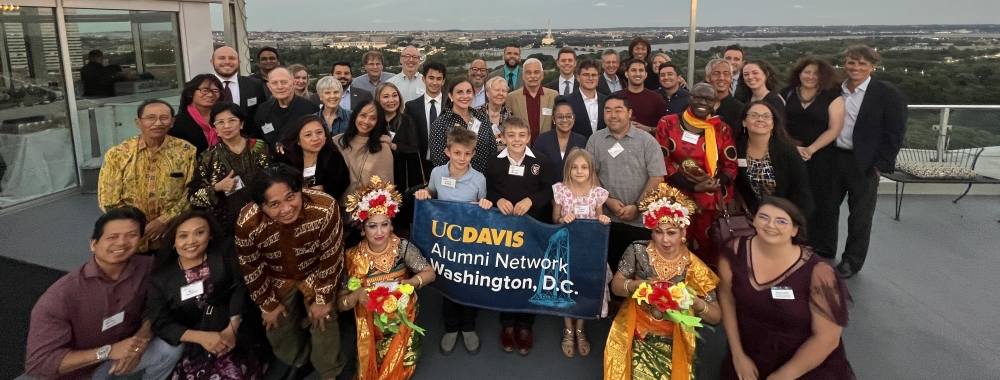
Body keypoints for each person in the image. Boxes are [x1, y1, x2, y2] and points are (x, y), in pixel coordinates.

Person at [25, 206, 184, 380]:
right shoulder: (61, 296)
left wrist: (140, 341)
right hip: (80, 371)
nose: (122, 243)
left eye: (131, 235)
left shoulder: (147, 267)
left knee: (170, 348)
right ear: (94, 244)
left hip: (124, 354)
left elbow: (157, 307)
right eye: (113, 237)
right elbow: (39, 364)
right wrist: (108, 351)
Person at [718, 196, 855, 379]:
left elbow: (827, 338)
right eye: (764, 217)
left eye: (781, 221)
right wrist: (737, 355)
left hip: (804, 365)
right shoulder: (734, 251)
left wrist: (783, 376)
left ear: (794, 230)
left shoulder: (819, 273)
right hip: (751, 357)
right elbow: (727, 298)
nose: (771, 225)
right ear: (754, 220)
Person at [235, 164, 348, 380]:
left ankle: (329, 371)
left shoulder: (325, 207)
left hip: (316, 272)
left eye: (291, 197)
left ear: (300, 190)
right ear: (260, 205)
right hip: (276, 276)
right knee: (277, 327)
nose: (286, 209)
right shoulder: (247, 222)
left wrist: (323, 299)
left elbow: (332, 257)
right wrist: (267, 303)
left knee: (324, 320)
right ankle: (299, 360)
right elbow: (251, 266)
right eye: (274, 204)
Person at [604, 184, 722, 380]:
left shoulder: (694, 267)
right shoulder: (638, 251)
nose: (665, 240)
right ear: (651, 231)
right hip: (637, 330)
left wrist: (693, 301)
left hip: (675, 337)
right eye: (659, 232)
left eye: (672, 232)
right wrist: (635, 286)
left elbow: (716, 317)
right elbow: (616, 287)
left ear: (683, 233)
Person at [147, 210, 267, 379]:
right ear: (173, 241)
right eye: (183, 236)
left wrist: (231, 329)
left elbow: (241, 287)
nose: (191, 241)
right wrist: (202, 338)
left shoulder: (225, 251)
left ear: (210, 235)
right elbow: (160, 322)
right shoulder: (160, 278)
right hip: (196, 339)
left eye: (199, 233)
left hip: (235, 325)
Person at [337, 176, 436, 379]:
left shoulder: (402, 247)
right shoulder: (352, 257)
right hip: (371, 327)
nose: (380, 232)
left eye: (385, 224)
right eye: (372, 226)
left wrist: (410, 283)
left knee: (402, 367)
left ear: (392, 225)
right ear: (362, 229)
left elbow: (429, 273)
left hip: (403, 320)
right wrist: (356, 296)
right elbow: (340, 303)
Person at [822, 45, 906, 278]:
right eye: (851, 62)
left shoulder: (886, 94)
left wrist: (881, 166)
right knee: (827, 209)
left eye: (862, 64)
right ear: (844, 63)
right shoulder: (833, 91)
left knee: (860, 216)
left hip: (865, 164)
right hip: (834, 158)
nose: (856, 67)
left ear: (872, 66)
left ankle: (852, 262)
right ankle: (825, 250)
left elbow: (895, 133)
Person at [414, 127, 494, 355]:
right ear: (448, 151)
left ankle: (468, 326)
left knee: (470, 283)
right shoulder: (438, 173)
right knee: (447, 283)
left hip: (470, 245)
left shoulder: (479, 179)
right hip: (445, 245)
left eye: (467, 154)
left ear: (473, 153)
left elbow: (484, 209)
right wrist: (425, 194)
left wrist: (486, 204)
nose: (462, 158)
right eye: (457, 153)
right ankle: (451, 328)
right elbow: (431, 193)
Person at [484, 116, 556, 356]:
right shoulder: (494, 162)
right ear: (503, 138)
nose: (516, 140)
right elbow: (489, 189)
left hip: (533, 227)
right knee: (506, 273)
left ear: (529, 137)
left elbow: (550, 189)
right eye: (511, 135)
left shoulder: (541, 162)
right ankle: (507, 323)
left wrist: (531, 200)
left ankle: (525, 326)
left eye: (521, 135)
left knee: (529, 274)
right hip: (503, 229)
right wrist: (498, 199)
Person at [656, 83, 738, 267]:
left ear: (715, 103)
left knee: (706, 253)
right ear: (689, 98)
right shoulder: (667, 123)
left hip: (710, 202)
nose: (702, 102)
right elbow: (662, 161)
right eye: (697, 97)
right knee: (673, 248)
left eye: (708, 99)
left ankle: (704, 291)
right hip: (675, 199)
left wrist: (716, 183)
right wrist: (692, 186)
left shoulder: (722, 129)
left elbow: (730, 164)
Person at [98, 99, 196, 253]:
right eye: (151, 118)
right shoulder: (118, 154)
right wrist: (137, 225)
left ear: (172, 122)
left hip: (172, 233)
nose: (158, 123)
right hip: (131, 237)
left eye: (164, 118)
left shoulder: (186, 151)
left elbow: (191, 192)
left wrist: (164, 221)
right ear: (138, 122)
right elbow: (108, 199)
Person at [586, 93, 666, 273]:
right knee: (610, 272)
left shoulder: (647, 141)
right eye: (608, 111)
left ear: (629, 113)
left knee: (639, 274)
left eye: (618, 110)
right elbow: (589, 174)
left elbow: (657, 178)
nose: (613, 115)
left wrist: (637, 207)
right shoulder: (595, 140)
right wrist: (607, 200)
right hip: (606, 219)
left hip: (639, 222)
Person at [780, 57, 846, 258]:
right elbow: (779, 125)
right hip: (791, 154)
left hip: (822, 156)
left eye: (815, 73)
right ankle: (792, 243)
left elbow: (835, 128)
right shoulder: (786, 93)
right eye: (806, 72)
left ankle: (822, 248)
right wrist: (794, 148)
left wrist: (811, 149)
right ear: (798, 73)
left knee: (823, 202)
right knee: (793, 198)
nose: (810, 76)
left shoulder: (832, 95)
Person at [550, 148, 611, 358]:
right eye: (575, 167)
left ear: (591, 170)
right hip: (567, 250)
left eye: (584, 167)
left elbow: (599, 218)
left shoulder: (597, 193)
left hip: (589, 251)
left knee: (587, 287)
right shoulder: (561, 190)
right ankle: (568, 327)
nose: (579, 171)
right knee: (565, 287)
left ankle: (580, 326)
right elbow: (554, 219)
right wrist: (562, 219)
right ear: (568, 169)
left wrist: (602, 220)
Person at [188, 102, 271, 236]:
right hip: (224, 227)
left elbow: (272, 180)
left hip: (262, 220)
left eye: (232, 120)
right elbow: (193, 197)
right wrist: (217, 188)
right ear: (214, 128)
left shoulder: (259, 147)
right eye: (220, 122)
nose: (226, 126)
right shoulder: (208, 156)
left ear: (241, 124)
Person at [734, 101, 814, 216]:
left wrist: (792, 222)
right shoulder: (736, 150)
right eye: (754, 115)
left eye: (766, 116)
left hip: (783, 216)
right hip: (747, 218)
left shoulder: (787, 152)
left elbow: (802, 195)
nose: (760, 119)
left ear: (772, 124)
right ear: (744, 122)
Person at [376, 82, 422, 233]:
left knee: (401, 220)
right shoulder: (374, 121)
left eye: (394, 95)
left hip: (403, 176)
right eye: (386, 96)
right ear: (378, 99)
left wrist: (394, 146)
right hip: (379, 177)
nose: (391, 100)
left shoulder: (407, 120)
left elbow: (414, 148)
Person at [334, 100, 394, 209]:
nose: (366, 121)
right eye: (363, 115)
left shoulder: (382, 147)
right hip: (338, 208)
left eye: (373, 118)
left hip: (369, 212)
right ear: (355, 115)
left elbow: (387, 187)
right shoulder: (337, 142)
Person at [429, 76, 497, 173]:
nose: (465, 96)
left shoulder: (482, 119)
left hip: (483, 181)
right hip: (455, 184)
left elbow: (492, 150)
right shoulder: (440, 124)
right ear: (451, 96)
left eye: (468, 91)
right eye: (459, 92)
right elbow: (439, 161)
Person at [277, 115, 351, 200]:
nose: (315, 138)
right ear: (298, 141)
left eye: (319, 132)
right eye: (308, 135)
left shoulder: (334, 158)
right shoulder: (286, 159)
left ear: (325, 135)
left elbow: (341, 183)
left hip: (323, 206)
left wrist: (324, 190)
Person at [251, 67, 321, 150]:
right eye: (274, 83)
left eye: (284, 82)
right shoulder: (263, 110)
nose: (280, 87)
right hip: (272, 161)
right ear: (269, 87)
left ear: (294, 84)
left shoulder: (310, 108)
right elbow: (257, 139)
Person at [404, 62, 447, 175]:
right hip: (420, 166)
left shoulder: (451, 105)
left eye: (439, 79)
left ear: (443, 81)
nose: (434, 82)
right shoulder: (411, 107)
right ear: (424, 79)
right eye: (431, 78)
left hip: (447, 165)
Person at [505, 58, 557, 144]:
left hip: (546, 147)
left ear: (542, 75)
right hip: (521, 147)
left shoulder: (553, 95)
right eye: (528, 73)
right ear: (523, 76)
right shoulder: (511, 98)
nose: (533, 76)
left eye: (536, 72)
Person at [169, 74, 223, 155]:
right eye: (205, 90)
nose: (210, 95)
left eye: (215, 91)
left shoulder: (225, 117)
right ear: (191, 93)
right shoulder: (177, 123)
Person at [534, 101, 587, 179]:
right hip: (547, 188)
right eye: (560, 117)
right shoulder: (542, 140)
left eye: (569, 116)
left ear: (574, 118)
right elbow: (534, 167)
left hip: (574, 188)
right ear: (553, 119)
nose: (565, 120)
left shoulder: (581, 140)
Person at [212, 46, 269, 119]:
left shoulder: (255, 84)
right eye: (221, 58)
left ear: (239, 62)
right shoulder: (203, 87)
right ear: (212, 62)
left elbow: (262, 114)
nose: (227, 62)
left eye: (232, 58)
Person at [616, 58, 667, 134]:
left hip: (648, 143)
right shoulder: (616, 98)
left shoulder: (657, 99)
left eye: (641, 70)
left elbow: (664, 128)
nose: (637, 74)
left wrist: (649, 129)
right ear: (626, 74)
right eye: (633, 70)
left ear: (645, 74)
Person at [735, 59, 786, 128]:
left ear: (766, 75)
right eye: (746, 74)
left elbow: (779, 128)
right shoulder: (744, 98)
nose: (750, 77)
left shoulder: (774, 100)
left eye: (755, 73)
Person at [565, 59, 607, 138]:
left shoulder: (606, 101)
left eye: (594, 75)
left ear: (598, 78)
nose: (590, 78)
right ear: (578, 77)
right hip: (577, 148)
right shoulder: (567, 101)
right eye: (586, 75)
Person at [473, 76, 514, 152]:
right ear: (487, 93)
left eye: (504, 91)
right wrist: (493, 147)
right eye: (497, 90)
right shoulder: (476, 113)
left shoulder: (510, 114)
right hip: (481, 158)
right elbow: (470, 139)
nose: (500, 93)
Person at [706, 58, 744, 138]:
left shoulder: (740, 109)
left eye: (726, 74)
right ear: (708, 78)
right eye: (716, 73)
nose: (722, 78)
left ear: (731, 79)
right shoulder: (698, 106)